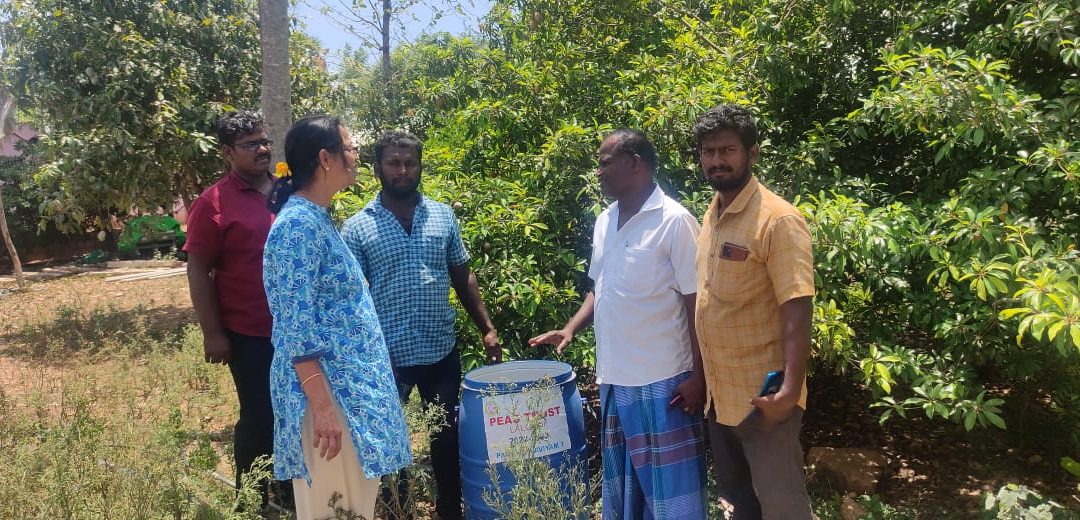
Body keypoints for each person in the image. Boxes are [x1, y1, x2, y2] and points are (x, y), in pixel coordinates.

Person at [530, 129, 708, 519]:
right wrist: (572, 327)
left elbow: (697, 303)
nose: (598, 172)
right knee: (630, 497)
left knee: (672, 497)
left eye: (605, 162)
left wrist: (699, 375)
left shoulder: (674, 221)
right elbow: (601, 286)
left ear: (634, 163)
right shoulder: (604, 220)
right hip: (615, 378)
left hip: (664, 383)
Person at [340, 130, 500, 520]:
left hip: (438, 350)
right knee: (388, 445)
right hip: (385, 358)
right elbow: (350, 300)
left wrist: (487, 328)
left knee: (445, 439)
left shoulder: (443, 215)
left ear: (420, 166)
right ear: (377, 168)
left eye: (410, 162)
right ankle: (399, 510)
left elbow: (462, 275)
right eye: (394, 163)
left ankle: (450, 512)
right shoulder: (357, 228)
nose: (402, 170)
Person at [262, 115, 412, 520]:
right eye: (349, 148)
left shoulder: (318, 219)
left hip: (345, 396)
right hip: (327, 401)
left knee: (352, 510)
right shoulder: (296, 228)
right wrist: (323, 409)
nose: (356, 154)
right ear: (326, 159)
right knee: (334, 511)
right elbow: (296, 327)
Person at [692, 104, 815, 519]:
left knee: (780, 505)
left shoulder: (777, 220)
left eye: (727, 150)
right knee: (739, 500)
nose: (716, 160)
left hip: (765, 397)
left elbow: (797, 307)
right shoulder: (712, 213)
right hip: (721, 395)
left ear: (752, 153)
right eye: (708, 151)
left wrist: (788, 391)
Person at [183, 110, 292, 507]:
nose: (262, 149)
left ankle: (292, 494)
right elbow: (198, 268)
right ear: (228, 152)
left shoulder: (287, 191)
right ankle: (250, 500)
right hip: (249, 332)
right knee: (260, 416)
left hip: (296, 329)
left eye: (264, 140)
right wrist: (212, 333)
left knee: (295, 414)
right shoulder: (213, 202)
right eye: (251, 144)